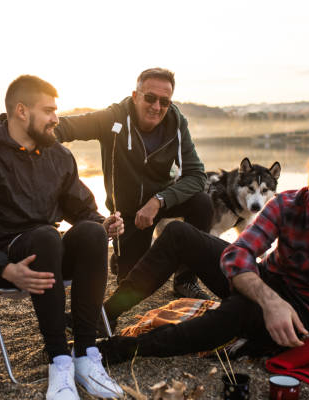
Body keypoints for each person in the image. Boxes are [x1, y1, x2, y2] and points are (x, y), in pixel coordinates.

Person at [97, 141, 309, 362]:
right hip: (264, 282)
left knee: (232, 314)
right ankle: (105, 315)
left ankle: (121, 350)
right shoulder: (287, 204)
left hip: (305, 315)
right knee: (178, 232)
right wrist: (270, 301)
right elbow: (238, 255)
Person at [0, 75, 124, 400]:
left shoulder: (58, 156)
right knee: (45, 237)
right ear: (21, 111)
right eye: (49, 110)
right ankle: (59, 361)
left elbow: (83, 210)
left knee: (90, 233)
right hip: (4, 261)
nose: (57, 118)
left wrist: (104, 223)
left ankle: (85, 355)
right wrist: (3, 267)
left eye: (57, 110)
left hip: (50, 257)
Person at [55, 67, 213, 299]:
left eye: (164, 101)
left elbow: (197, 175)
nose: (157, 107)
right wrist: (25, 142)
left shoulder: (176, 123)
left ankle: (185, 280)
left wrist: (159, 200)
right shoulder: (114, 118)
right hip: (128, 214)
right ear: (135, 96)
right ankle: (120, 255)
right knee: (134, 284)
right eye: (150, 98)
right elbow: (62, 128)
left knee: (203, 203)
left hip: (160, 202)